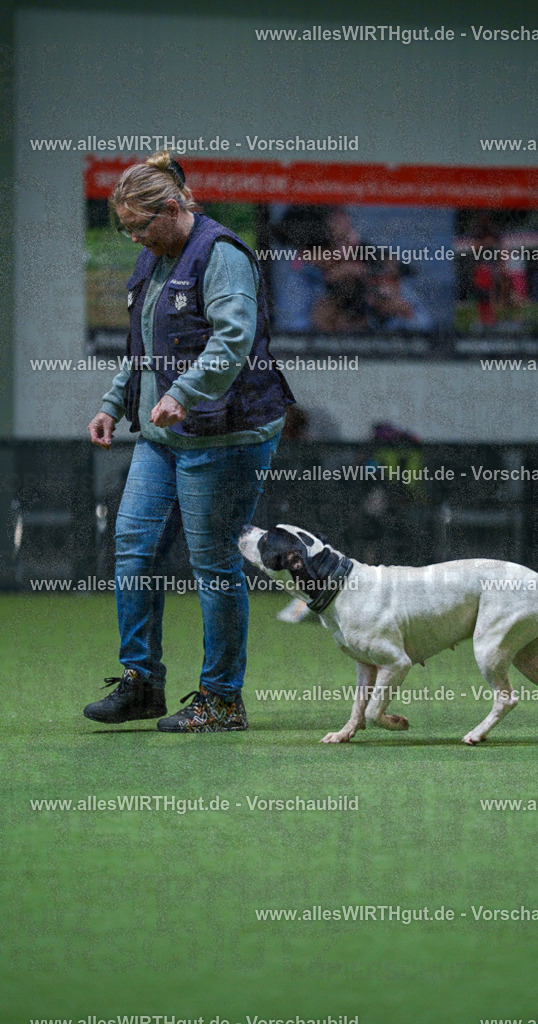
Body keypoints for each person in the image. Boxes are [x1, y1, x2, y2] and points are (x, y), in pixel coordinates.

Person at [84, 152, 294, 733]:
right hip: (162, 436)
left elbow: (232, 340)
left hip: (226, 436)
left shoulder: (221, 255)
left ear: (173, 208)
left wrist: (184, 392)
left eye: (139, 226)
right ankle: (141, 682)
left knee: (213, 562)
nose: (133, 238)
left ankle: (222, 700)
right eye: (125, 229)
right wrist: (111, 404)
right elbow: (143, 346)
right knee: (135, 549)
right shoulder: (154, 257)